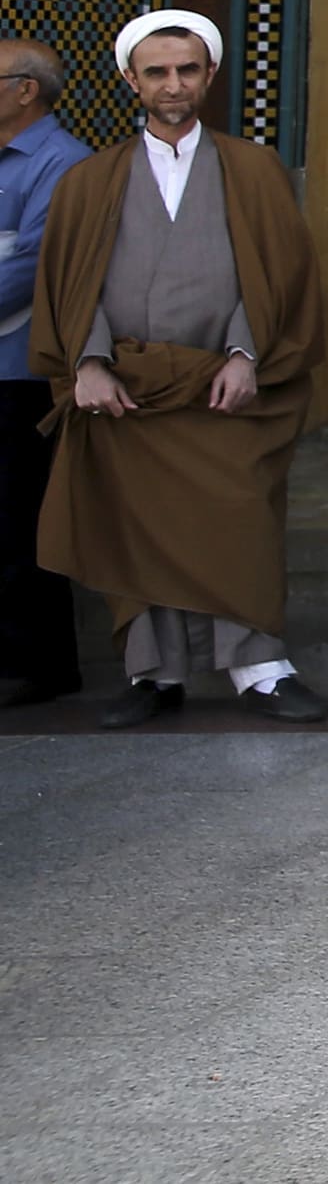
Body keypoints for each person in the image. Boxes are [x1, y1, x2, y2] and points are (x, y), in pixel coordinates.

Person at [33, 11, 324, 725]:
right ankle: (151, 675)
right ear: (130, 79)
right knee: (138, 526)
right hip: (129, 391)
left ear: (209, 76)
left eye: (187, 70)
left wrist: (246, 353)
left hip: (225, 386)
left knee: (240, 518)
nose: (173, 84)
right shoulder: (87, 180)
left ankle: (260, 668)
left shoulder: (254, 168)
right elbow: (74, 286)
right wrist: (90, 364)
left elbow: (282, 276)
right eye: (157, 71)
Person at [0, 36, 92, 709]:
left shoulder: (62, 163)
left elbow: (29, 265)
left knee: (17, 518)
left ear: (26, 89)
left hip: (18, 370)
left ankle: (38, 661)